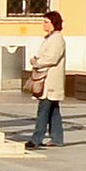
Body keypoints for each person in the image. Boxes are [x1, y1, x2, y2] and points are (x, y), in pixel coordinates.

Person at [26, 11, 69, 148]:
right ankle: (57, 138)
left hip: (50, 80)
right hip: (47, 77)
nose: (43, 24)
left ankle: (36, 139)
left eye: (46, 22)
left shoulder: (57, 39)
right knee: (53, 110)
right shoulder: (50, 38)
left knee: (43, 109)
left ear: (54, 23)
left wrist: (37, 62)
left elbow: (52, 58)